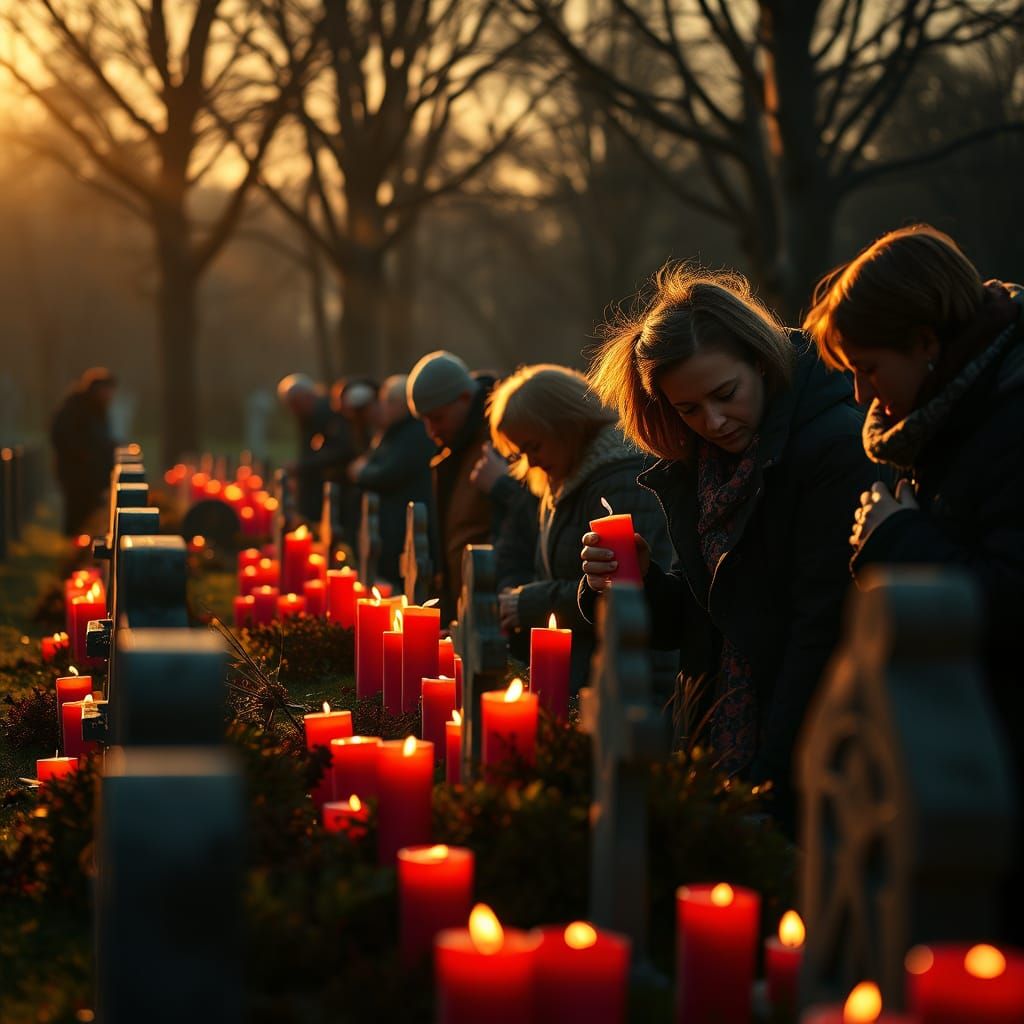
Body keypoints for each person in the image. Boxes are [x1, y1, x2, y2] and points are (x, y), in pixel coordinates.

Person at [580, 264, 879, 826]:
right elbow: (708, 620)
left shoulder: (832, 450)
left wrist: (767, 780)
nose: (713, 422)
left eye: (725, 394)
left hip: (806, 746)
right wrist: (640, 582)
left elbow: (820, 628)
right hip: (714, 733)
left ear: (760, 362)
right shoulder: (708, 468)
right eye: (687, 410)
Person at [803, 225, 1023, 937]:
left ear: (927, 343)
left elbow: (1007, 599)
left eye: (868, 367)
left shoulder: (1008, 421)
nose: (862, 393)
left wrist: (896, 539)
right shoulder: (945, 413)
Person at [488, 364, 676, 692]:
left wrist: (529, 603)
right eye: (522, 451)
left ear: (566, 425)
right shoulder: (563, 480)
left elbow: (622, 587)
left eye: (534, 446)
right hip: (586, 674)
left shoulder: (620, 479)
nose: (529, 462)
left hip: (627, 680)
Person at [407, 350, 501, 620]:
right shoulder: (456, 448)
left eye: (436, 418)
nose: (430, 431)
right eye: (424, 420)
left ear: (464, 398)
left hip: (493, 610)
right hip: (465, 609)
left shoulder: (498, 442)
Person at [348, 375, 435, 586]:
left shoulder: (414, 433)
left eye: (387, 402)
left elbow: (389, 473)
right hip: (388, 520)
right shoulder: (392, 431)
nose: (382, 407)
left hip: (401, 521)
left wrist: (361, 473)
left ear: (402, 403)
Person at [50, 367, 118, 536]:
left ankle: (81, 545)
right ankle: (74, 547)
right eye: (106, 390)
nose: (109, 395)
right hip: (76, 470)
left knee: (88, 509)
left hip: (90, 471)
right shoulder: (76, 407)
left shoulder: (97, 409)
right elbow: (61, 435)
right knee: (77, 509)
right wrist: (84, 454)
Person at [276, 373, 346, 524]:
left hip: (330, 486)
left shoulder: (327, 414)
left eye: (295, 403)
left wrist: (302, 466)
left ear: (307, 396)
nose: (293, 410)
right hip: (314, 486)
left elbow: (338, 452)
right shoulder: (306, 417)